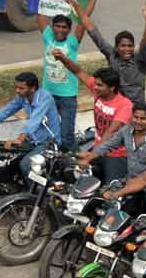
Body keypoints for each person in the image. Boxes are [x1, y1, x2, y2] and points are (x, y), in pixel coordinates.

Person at [50, 54, 133, 183]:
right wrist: (62, 58)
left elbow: (111, 132)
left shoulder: (125, 105)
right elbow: (77, 71)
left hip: (116, 154)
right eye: (95, 84)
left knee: (111, 190)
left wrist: (90, 157)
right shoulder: (99, 92)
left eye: (100, 85)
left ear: (112, 88)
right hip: (97, 148)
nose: (95, 87)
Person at [66, 0, 146, 106]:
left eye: (130, 46)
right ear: (116, 48)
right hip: (116, 108)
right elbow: (93, 31)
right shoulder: (112, 55)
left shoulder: (140, 61)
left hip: (136, 111)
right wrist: (76, 5)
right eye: (123, 46)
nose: (127, 49)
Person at [38, 0, 98, 151]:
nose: (60, 30)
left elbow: (84, 19)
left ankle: (77, 165)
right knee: (50, 134)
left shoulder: (72, 42)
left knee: (67, 136)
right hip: (48, 94)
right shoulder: (48, 36)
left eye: (64, 27)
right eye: (57, 26)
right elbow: (40, 13)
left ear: (69, 30)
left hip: (67, 97)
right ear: (53, 27)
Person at [78, 102, 146, 209]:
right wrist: (88, 158)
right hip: (130, 179)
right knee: (100, 200)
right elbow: (109, 145)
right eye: (135, 117)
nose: (138, 121)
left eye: (143, 119)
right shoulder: (127, 130)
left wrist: (118, 193)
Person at [0, 71, 63, 180]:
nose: (17, 91)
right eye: (16, 87)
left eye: (21, 88)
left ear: (33, 88)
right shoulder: (23, 97)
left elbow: (35, 120)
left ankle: (36, 195)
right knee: (2, 155)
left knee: (26, 165)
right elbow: (5, 111)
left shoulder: (45, 97)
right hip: (32, 139)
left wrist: (20, 139)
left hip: (48, 142)